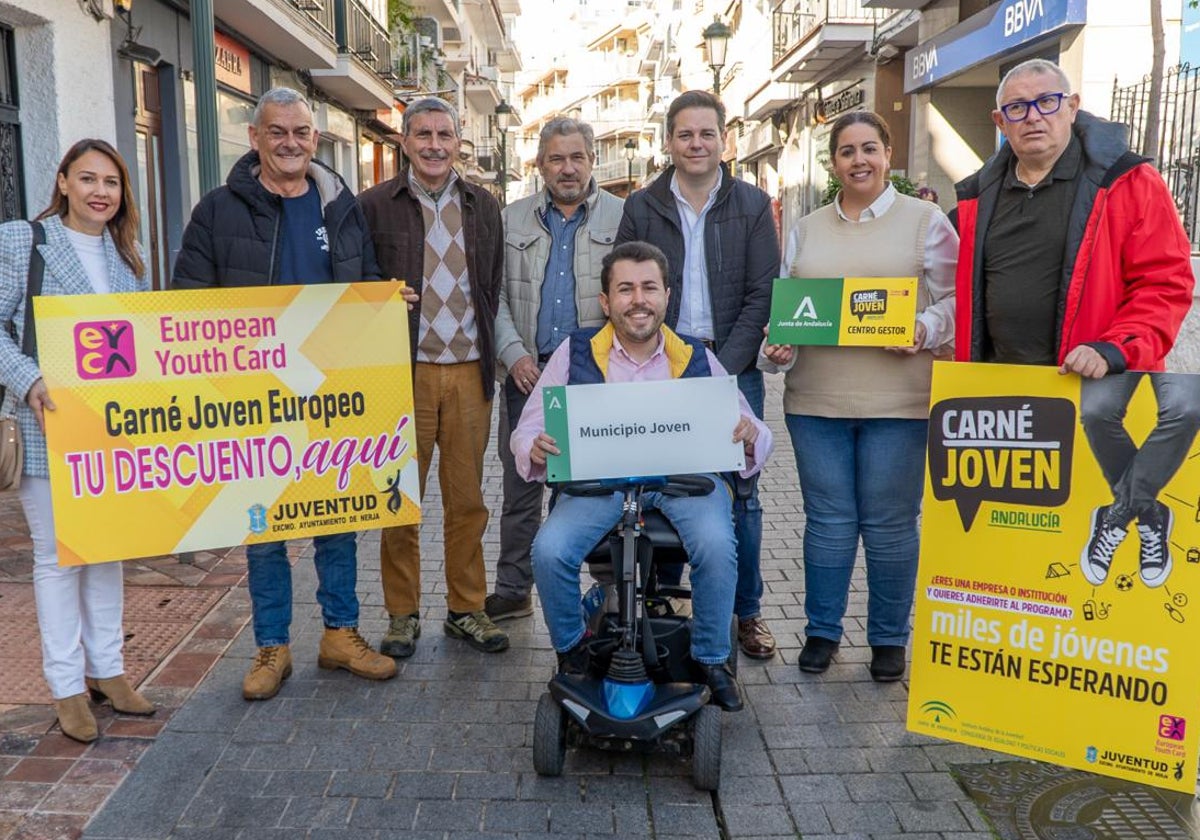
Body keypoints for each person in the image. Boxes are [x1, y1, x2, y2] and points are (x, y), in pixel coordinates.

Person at [174, 87, 397, 700]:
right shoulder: (217, 211)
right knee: (263, 524)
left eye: (301, 133)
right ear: (255, 138)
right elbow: (188, 301)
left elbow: (366, 281)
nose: (291, 143)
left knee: (339, 517)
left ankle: (340, 634)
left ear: (314, 140)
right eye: (278, 132)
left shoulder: (340, 207)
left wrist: (382, 302)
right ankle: (272, 646)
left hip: (332, 391)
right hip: (254, 396)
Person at [952, 59, 1196, 590]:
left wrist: (1115, 347)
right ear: (1000, 121)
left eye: (1046, 102)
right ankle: (1146, 514)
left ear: (1072, 106)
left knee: (1068, 581)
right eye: (1017, 107)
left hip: (1091, 386)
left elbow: (1166, 282)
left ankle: (1123, 519)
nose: (1032, 117)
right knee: (1008, 558)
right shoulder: (976, 196)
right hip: (1000, 400)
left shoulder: (1129, 182)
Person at [513, 241, 773, 711]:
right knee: (550, 550)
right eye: (626, 289)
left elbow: (759, 432)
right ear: (606, 302)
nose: (639, 300)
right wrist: (531, 444)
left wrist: (748, 433)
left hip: (684, 480)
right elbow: (529, 425)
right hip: (600, 480)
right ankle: (572, 650)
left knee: (717, 543)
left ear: (667, 296)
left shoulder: (696, 355)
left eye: (649, 288)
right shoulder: (573, 353)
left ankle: (712, 657)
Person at [762, 110, 957, 682]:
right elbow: (792, 315)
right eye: (846, 151)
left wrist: (923, 328)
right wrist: (781, 349)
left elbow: (952, 302)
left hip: (899, 406)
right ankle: (822, 632)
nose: (859, 161)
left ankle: (889, 639)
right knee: (827, 521)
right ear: (833, 162)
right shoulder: (806, 228)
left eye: (869, 148)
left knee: (891, 524)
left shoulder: (926, 222)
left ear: (888, 154)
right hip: (815, 403)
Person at [615, 90, 780, 660]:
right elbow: (628, 283)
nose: (696, 144)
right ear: (669, 142)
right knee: (656, 484)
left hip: (729, 365)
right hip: (660, 368)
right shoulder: (641, 205)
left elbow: (764, 292)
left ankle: (748, 613)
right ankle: (659, 599)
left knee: (743, 498)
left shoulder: (753, 205)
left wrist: (721, 366)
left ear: (723, 139)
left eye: (706, 133)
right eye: (685, 134)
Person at [0, 139, 154, 741]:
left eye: (111, 183)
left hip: (108, 431)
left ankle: (109, 671)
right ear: (62, 181)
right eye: (87, 179)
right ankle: (67, 686)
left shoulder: (128, 257)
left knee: (107, 549)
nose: (100, 192)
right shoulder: (22, 240)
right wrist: (28, 377)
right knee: (59, 557)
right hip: (47, 424)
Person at [358, 97, 508, 657]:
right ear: (404, 142)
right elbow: (356, 278)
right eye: (423, 134)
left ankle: (466, 609)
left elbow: (489, 286)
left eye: (445, 134)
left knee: (468, 501)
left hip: (470, 371)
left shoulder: (483, 205)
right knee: (398, 500)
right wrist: (379, 294)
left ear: (459, 140)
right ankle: (402, 614)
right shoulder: (374, 205)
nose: (435, 144)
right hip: (404, 373)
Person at [486, 117, 623, 623]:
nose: (568, 168)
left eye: (577, 157)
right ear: (540, 165)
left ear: (592, 159)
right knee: (520, 486)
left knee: (598, 487)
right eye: (556, 159)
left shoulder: (623, 215)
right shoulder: (511, 218)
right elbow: (493, 295)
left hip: (596, 381)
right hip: (528, 374)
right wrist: (513, 353)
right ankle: (513, 587)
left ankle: (609, 592)